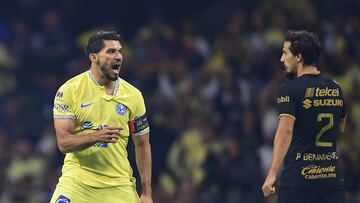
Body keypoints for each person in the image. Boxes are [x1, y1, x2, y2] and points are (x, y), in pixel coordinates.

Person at [50, 31, 153, 203]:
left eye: (120, 51)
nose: (118, 56)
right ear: (94, 57)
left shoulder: (133, 96)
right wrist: (96, 136)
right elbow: (64, 143)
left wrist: (147, 193)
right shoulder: (69, 90)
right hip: (77, 182)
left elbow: (142, 144)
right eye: (111, 52)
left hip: (118, 185)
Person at [262, 30, 347, 203]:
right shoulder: (336, 88)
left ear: (299, 57)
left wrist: (272, 173)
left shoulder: (289, 89)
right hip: (331, 179)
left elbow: (285, 131)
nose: (281, 59)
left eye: (285, 53)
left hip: (299, 181)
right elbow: (341, 127)